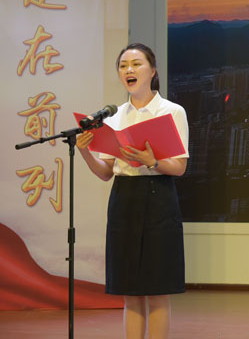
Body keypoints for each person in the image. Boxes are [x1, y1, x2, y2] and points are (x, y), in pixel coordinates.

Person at [76, 43, 189, 339]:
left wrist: (152, 161)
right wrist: (85, 151)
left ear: (152, 71)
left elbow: (179, 167)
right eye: (123, 65)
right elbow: (105, 172)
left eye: (136, 64)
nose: (129, 70)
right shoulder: (113, 118)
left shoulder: (172, 111)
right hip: (123, 199)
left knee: (158, 290)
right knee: (130, 291)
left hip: (159, 197)